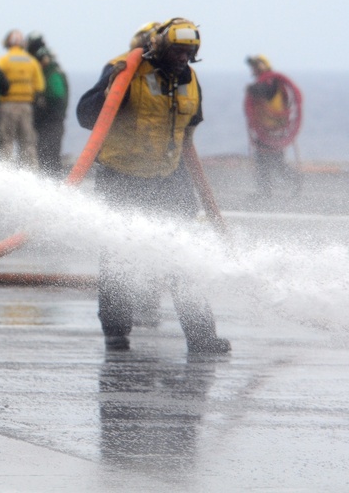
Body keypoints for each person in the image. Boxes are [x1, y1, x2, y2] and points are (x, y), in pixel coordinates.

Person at [75, 18, 230, 354]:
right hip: (122, 178)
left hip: (168, 177)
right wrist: (109, 92)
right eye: (177, 51)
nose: (183, 58)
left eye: (189, 52)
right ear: (158, 48)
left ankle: (202, 336)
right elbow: (85, 116)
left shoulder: (190, 80)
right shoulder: (125, 70)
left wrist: (188, 192)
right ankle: (116, 333)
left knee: (183, 257)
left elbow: (188, 130)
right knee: (118, 256)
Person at [244, 55, 302, 199]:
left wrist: (251, 88)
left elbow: (266, 92)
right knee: (265, 161)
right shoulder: (265, 81)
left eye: (256, 66)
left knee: (273, 162)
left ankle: (293, 182)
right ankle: (266, 192)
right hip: (266, 129)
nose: (253, 69)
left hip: (273, 129)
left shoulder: (271, 81)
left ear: (263, 66)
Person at [0, 29, 45, 167]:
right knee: (27, 142)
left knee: (6, 141)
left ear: (7, 43)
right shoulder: (32, 61)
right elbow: (40, 86)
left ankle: (5, 170)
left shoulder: (3, 61)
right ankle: (30, 171)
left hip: (7, 106)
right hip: (26, 106)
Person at [27, 31, 69, 176]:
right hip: (54, 120)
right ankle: (52, 181)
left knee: (48, 155)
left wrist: (40, 102)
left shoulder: (51, 73)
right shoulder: (55, 71)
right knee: (48, 155)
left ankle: (52, 183)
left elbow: (56, 94)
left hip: (51, 120)